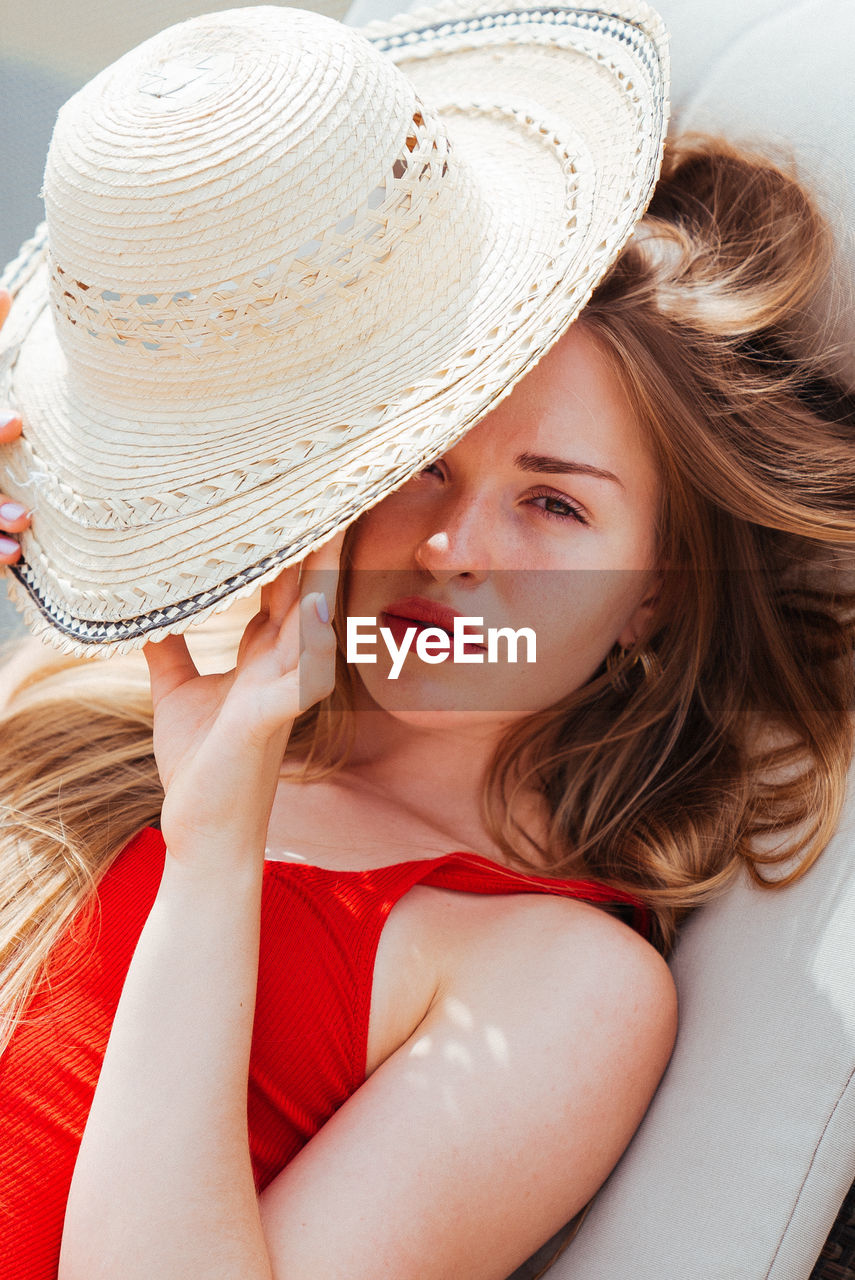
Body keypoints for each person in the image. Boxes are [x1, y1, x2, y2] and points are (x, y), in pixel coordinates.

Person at [0, 3, 853, 1279]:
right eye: (427, 467)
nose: (455, 546)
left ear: (656, 595)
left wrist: (214, 847)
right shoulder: (108, 701)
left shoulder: (559, 978)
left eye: (554, 502)